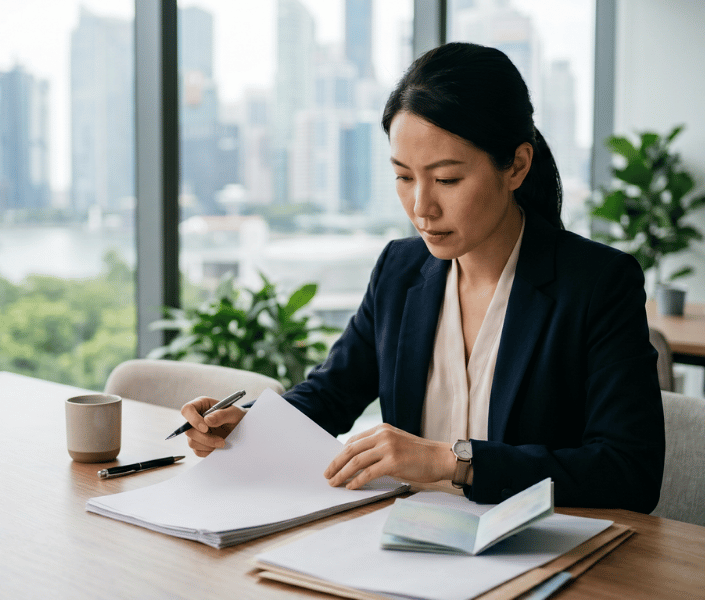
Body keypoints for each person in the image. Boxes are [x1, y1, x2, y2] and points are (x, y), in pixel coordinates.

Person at [181, 42, 665, 513]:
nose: (421, 207)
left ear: (516, 166)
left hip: (537, 557)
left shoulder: (597, 284)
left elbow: (629, 472)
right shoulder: (400, 270)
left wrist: (452, 461)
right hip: (408, 545)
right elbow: (331, 393)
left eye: (447, 179)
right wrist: (249, 428)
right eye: (404, 176)